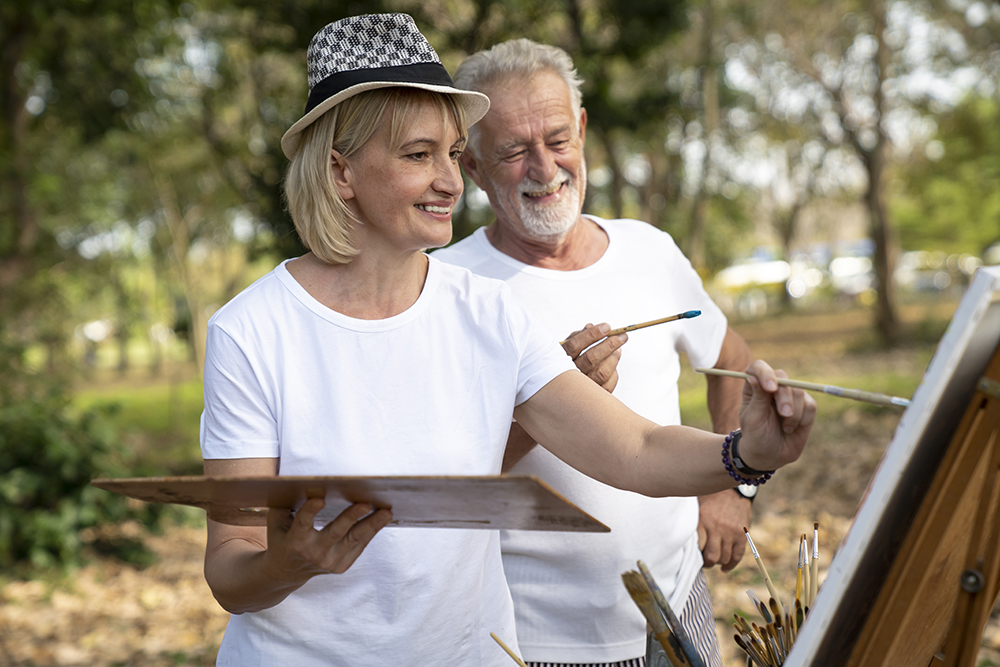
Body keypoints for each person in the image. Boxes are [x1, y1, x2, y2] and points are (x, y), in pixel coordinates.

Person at [199, 14, 816, 667]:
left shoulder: (488, 312)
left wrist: (745, 456)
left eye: (450, 152)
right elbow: (230, 566)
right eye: (418, 154)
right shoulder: (251, 330)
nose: (450, 180)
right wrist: (288, 563)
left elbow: (633, 447)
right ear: (341, 171)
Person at [434, 39, 757, 667]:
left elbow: (732, 361)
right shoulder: (445, 288)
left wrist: (730, 491)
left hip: (681, 602)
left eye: (557, 140)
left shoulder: (648, 250)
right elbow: (444, 485)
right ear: (472, 166)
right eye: (512, 151)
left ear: (581, 129)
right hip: (535, 634)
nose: (544, 168)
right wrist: (549, 400)